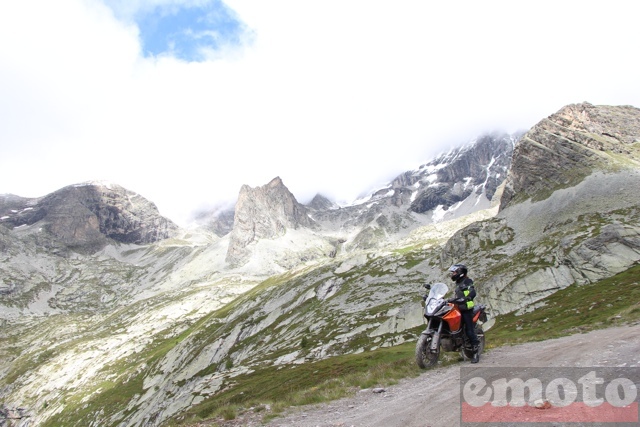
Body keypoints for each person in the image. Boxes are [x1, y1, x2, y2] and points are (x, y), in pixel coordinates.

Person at [447, 263, 480, 363]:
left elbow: (472, 291)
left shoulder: (467, 281)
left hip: (467, 309)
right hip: (458, 309)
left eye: (454, 272)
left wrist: (468, 297)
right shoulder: (458, 283)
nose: (452, 274)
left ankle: (475, 353)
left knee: (469, 330)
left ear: (460, 272)